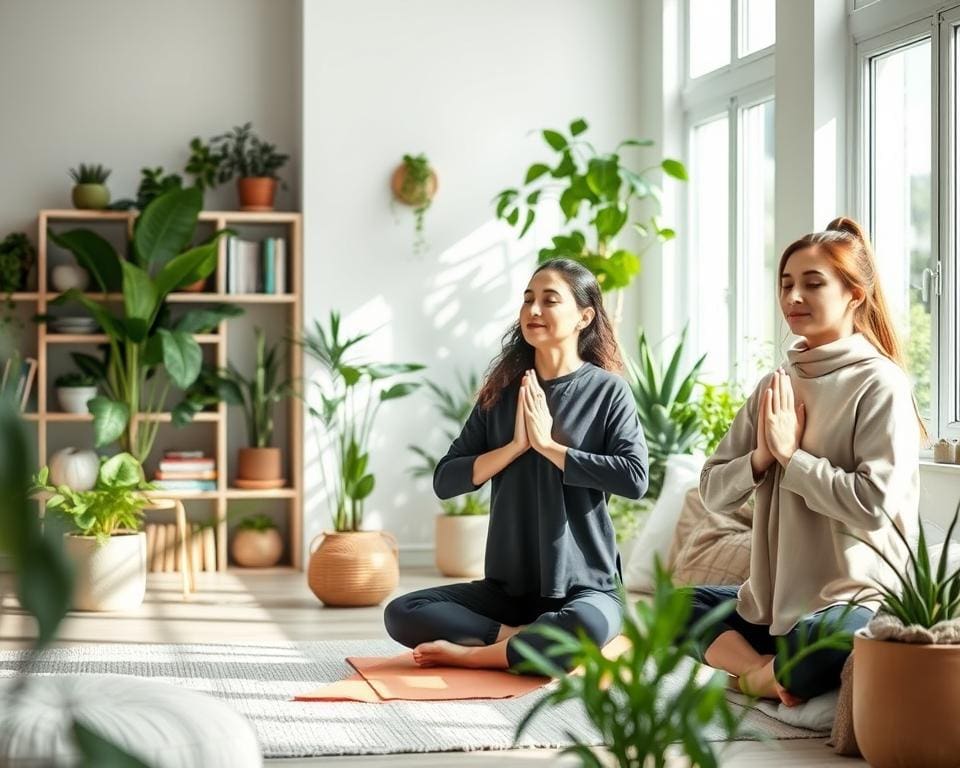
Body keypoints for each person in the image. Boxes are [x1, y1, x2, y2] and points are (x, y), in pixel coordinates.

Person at [688, 217, 922, 706]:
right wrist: (761, 455)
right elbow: (712, 490)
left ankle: (766, 671)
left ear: (855, 294)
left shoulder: (880, 385)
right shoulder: (775, 384)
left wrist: (792, 459)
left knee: (824, 643)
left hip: (854, 600)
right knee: (675, 608)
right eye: (786, 284)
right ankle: (761, 672)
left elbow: (873, 504)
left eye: (813, 284)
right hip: (770, 606)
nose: (793, 297)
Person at [383, 258, 648, 673]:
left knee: (585, 625)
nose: (534, 310)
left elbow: (634, 478)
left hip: (587, 588)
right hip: (509, 591)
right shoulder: (503, 393)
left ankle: (476, 654)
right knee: (403, 611)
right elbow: (446, 479)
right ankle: (521, 638)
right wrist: (515, 447)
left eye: (549, 300)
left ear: (584, 316)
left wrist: (547, 446)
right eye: (528, 300)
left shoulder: (608, 391)